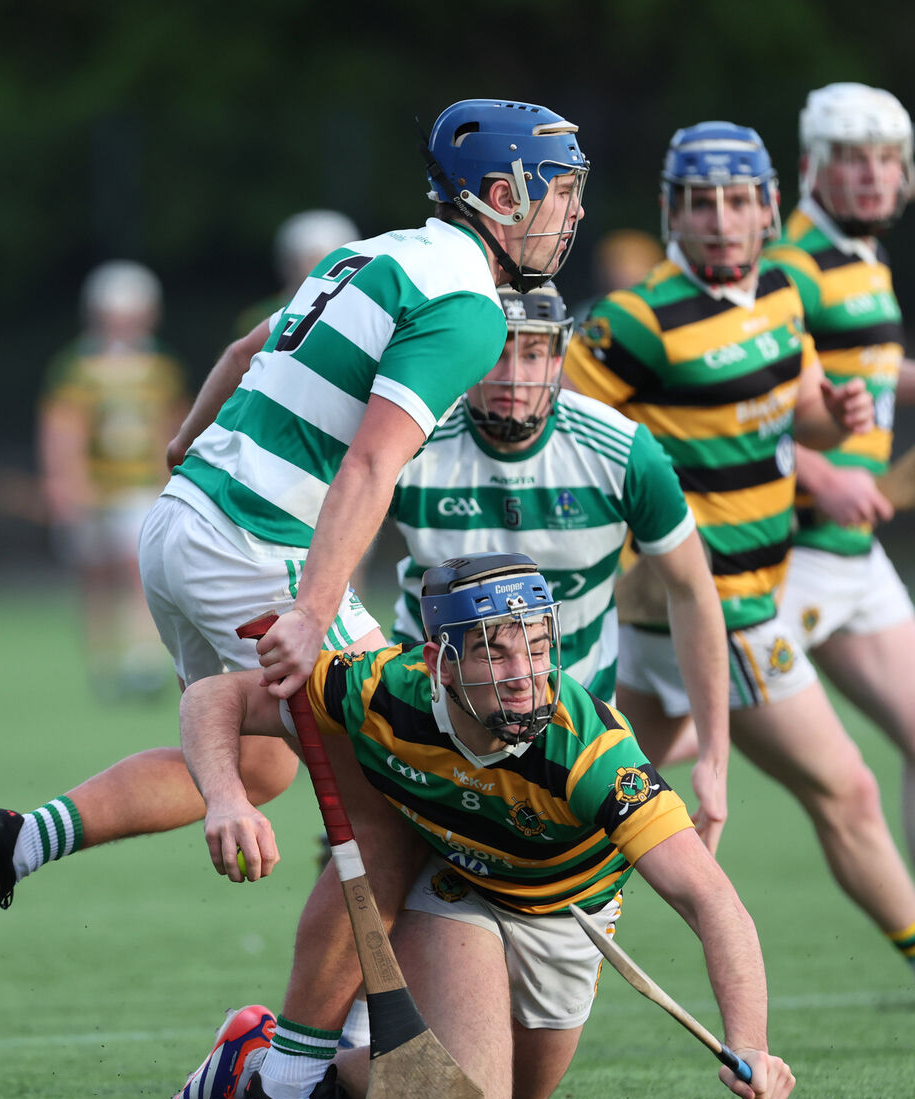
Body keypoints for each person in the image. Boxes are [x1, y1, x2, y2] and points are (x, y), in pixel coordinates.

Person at [0, 98, 590, 983]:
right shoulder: (468, 309)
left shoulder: (374, 254)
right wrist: (313, 610)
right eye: (560, 192)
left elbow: (242, 350)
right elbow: (367, 468)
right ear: (500, 195)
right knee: (393, 783)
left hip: (180, 523)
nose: (573, 212)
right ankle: (304, 1059)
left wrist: (180, 443)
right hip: (254, 545)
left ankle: (13, 844)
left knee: (261, 763)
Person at [169, 552, 796, 1099]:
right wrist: (227, 798)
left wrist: (752, 1043)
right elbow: (214, 696)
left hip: (570, 915)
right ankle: (270, 1073)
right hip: (458, 891)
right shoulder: (383, 692)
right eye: (493, 653)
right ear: (441, 662)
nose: (524, 676)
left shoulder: (591, 753)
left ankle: (289, 1069)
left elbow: (708, 897)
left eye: (539, 648)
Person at [564, 120, 915, 973]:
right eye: (695, 204)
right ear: (667, 213)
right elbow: (557, 431)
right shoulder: (635, 322)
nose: (717, 221)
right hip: (717, 605)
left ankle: (519, 928)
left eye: (732, 202)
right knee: (849, 791)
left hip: (693, 607)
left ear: (766, 210)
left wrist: (838, 421)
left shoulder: (776, 299)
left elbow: (795, 401)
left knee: (589, 803)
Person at [389, 282, 730, 849]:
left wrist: (715, 762)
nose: (514, 376)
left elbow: (693, 592)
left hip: (573, 731)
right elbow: (328, 552)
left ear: (559, 354)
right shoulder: (410, 440)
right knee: (385, 896)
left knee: (557, 921)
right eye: (497, 350)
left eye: (532, 351)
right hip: (428, 718)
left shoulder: (622, 451)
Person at [766, 83, 915, 877]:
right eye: (852, 158)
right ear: (811, 166)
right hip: (789, 553)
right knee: (665, 735)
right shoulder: (790, 269)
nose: (871, 175)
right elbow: (741, 402)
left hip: (854, 558)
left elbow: (867, 367)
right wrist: (819, 471)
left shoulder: (864, 256)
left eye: (885, 159)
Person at [38, 260, 189, 697]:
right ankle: (102, 661)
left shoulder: (161, 367)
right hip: (93, 486)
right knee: (96, 574)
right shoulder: (77, 367)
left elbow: (174, 424)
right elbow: (63, 426)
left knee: (137, 568)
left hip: (142, 484)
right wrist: (63, 480)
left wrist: (173, 479)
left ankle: (139, 658)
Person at [236, 209, 361, 335]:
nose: (324, 270)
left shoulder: (361, 314)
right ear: (291, 263)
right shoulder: (261, 317)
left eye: (333, 261)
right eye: (313, 259)